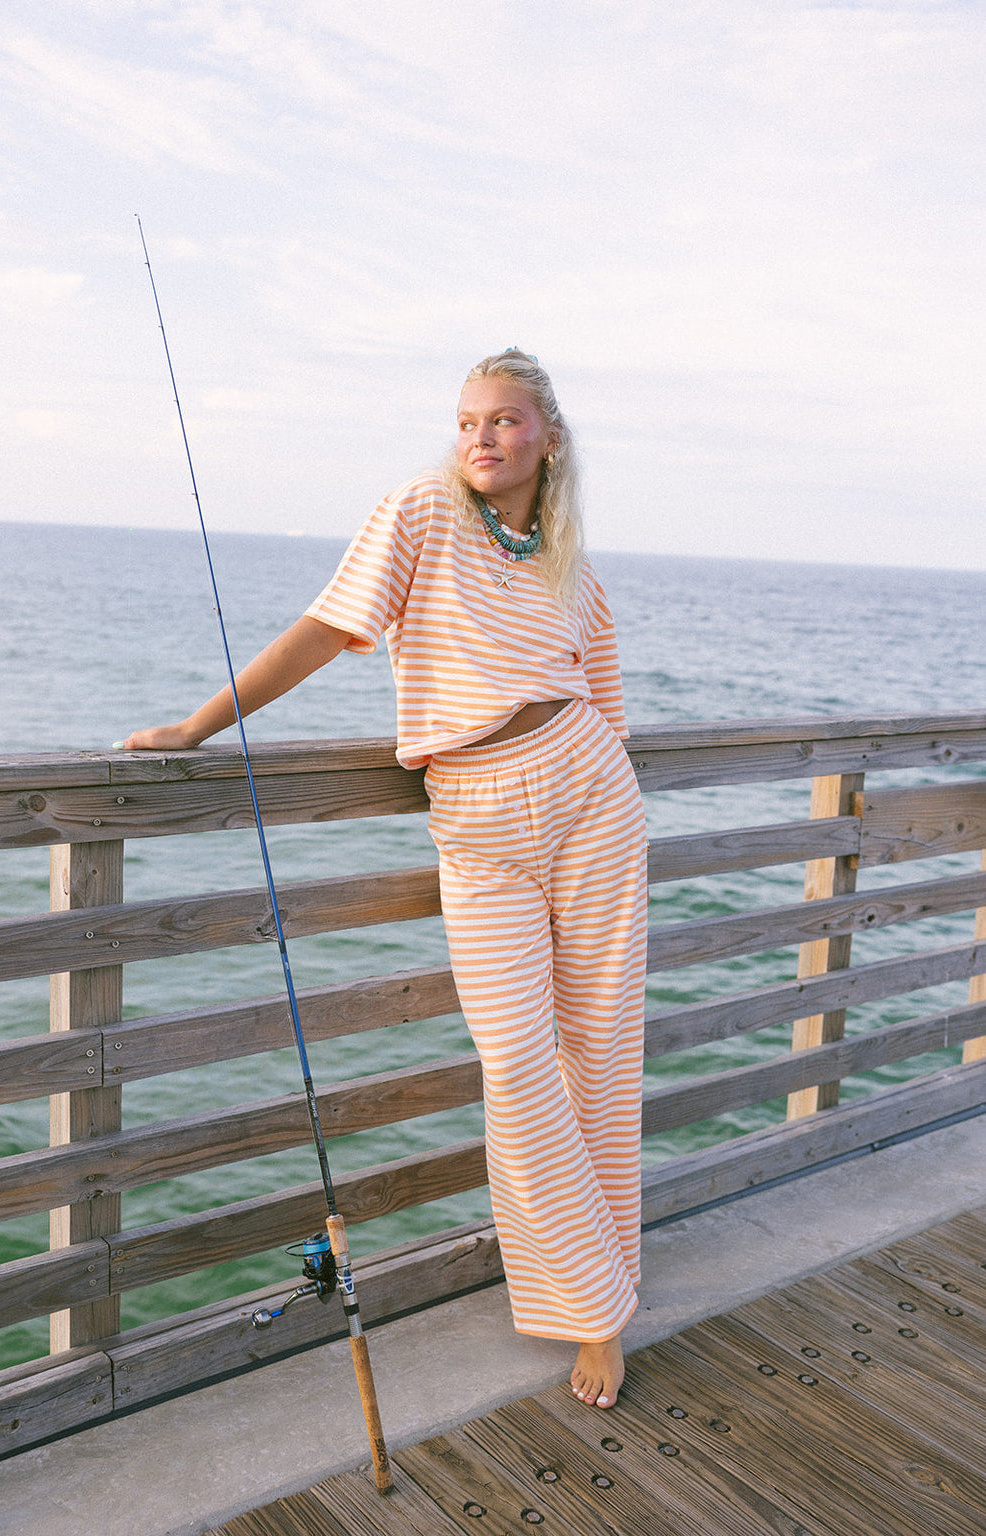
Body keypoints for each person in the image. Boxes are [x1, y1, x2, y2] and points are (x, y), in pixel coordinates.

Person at [120, 349, 648, 1409]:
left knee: (601, 1048)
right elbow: (325, 630)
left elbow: (604, 691)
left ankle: (609, 1288)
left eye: (503, 420)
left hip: (592, 793)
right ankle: (587, 1305)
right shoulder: (418, 513)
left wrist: (612, 783)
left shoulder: (568, 561)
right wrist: (199, 724)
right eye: (466, 421)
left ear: (548, 437)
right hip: (478, 808)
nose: (481, 438)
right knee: (519, 1062)